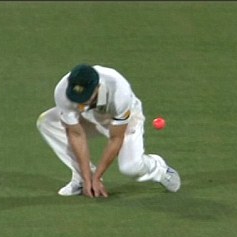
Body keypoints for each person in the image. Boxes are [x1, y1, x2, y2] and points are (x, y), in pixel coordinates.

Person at [36, 63, 181, 198]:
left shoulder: (119, 92)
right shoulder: (62, 92)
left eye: (85, 97)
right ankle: (81, 179)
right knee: (47, 122)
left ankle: (158, 169)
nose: (80, 101)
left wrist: (97, 177)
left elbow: (116, 138)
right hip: (90, 116)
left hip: (125, 120)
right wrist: (88, 177)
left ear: (97, 87)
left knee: (131, 167)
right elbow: (75, 134)